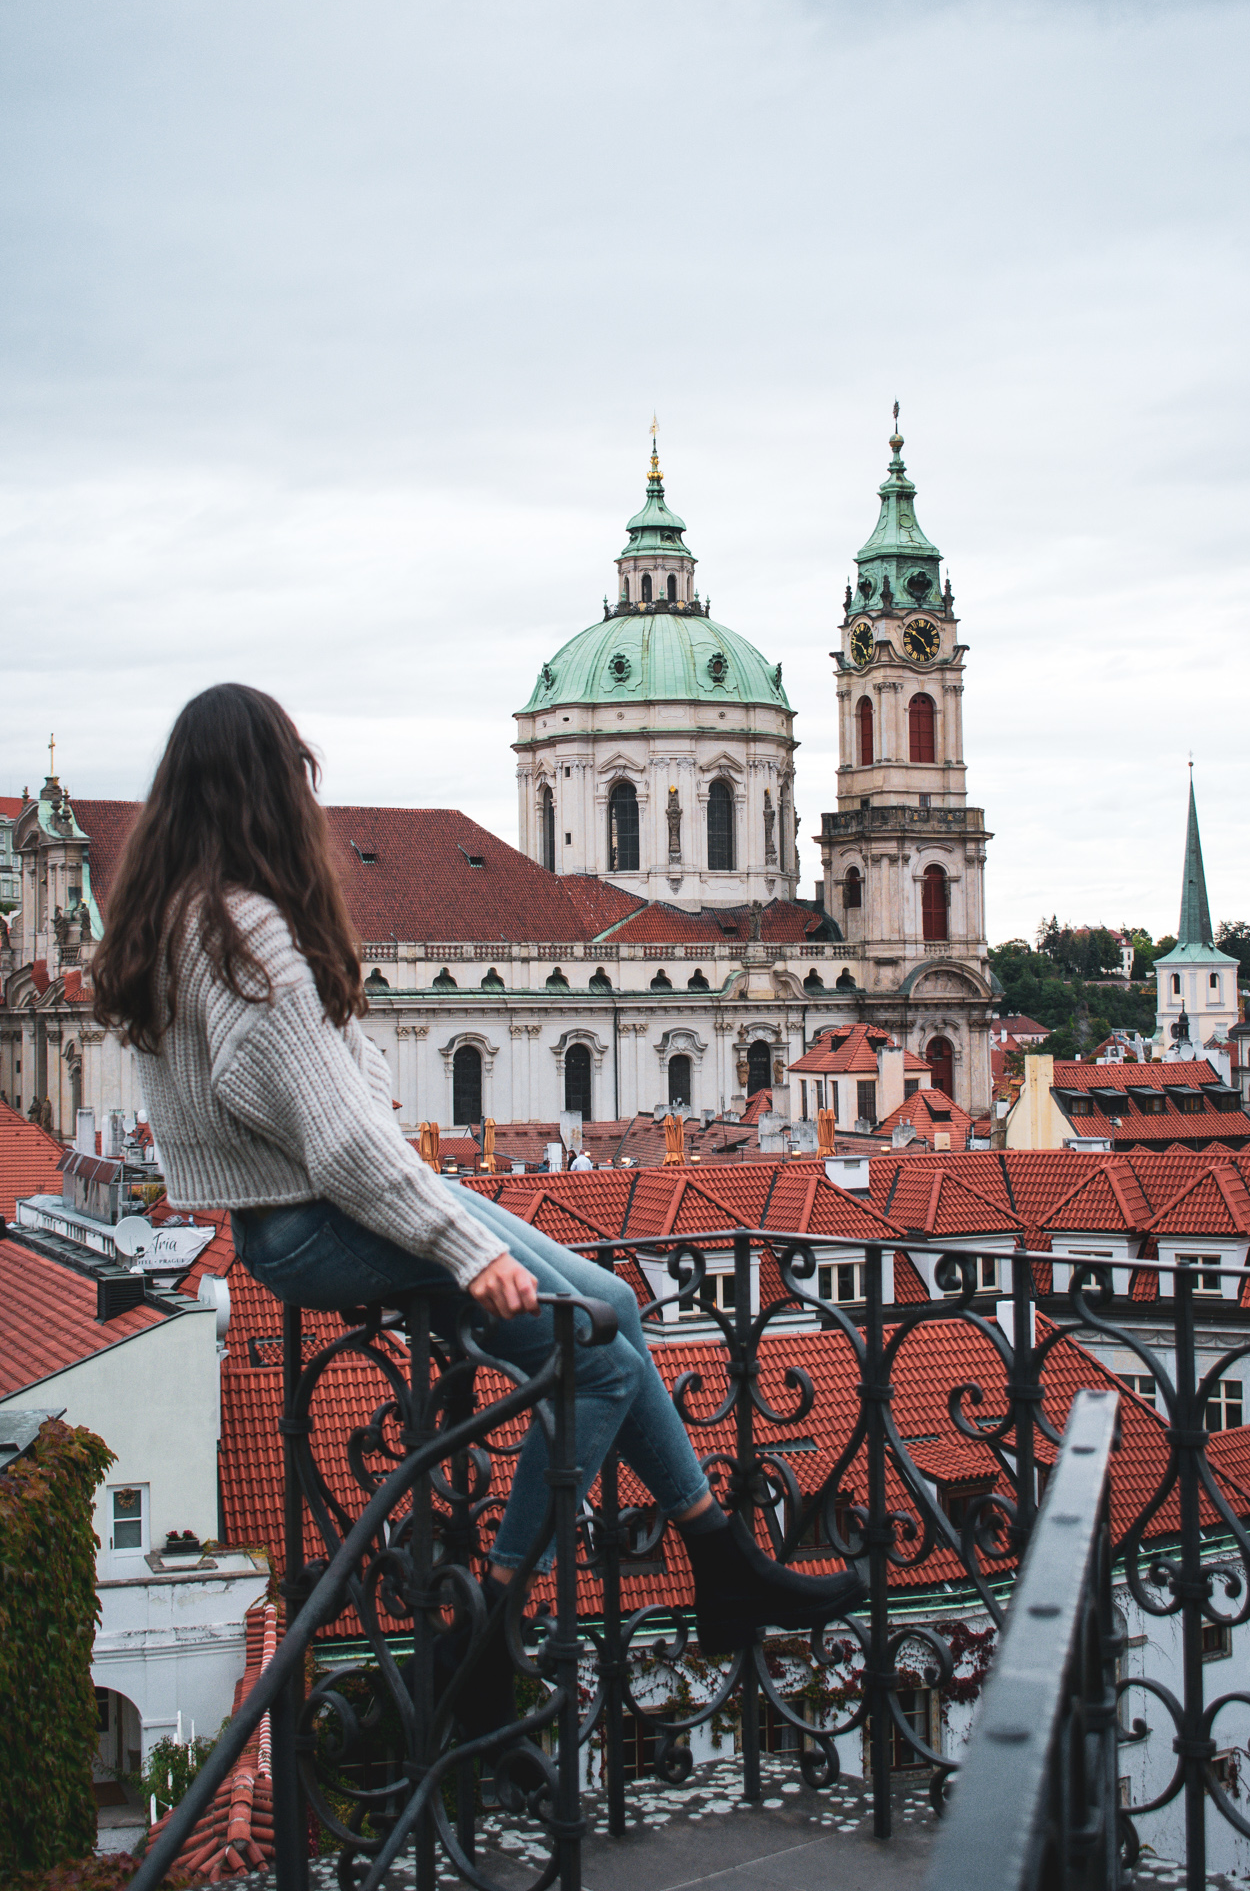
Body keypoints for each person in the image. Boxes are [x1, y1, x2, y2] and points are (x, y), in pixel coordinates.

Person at [92, 686, 863, 1717]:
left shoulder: (170, 919)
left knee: (615, 1306)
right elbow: (348, 1140)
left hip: (295, 1213)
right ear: (270, 789)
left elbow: (314, 1094)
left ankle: (719, 1559)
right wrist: (463, 1245)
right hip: (323, 1216)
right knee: (590, 1348)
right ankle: (493, 1619)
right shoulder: (250, 934)